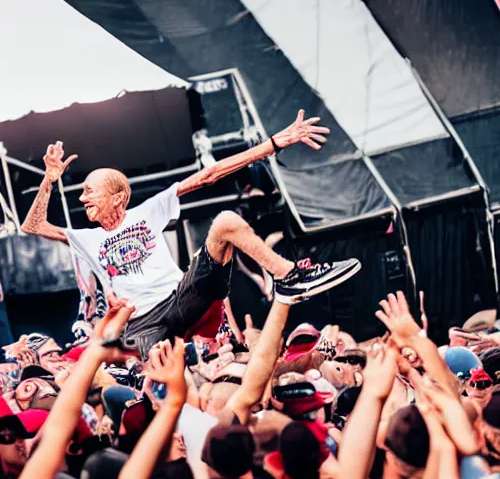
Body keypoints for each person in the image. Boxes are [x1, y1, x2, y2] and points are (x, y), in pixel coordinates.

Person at [20, 110, 361, 357]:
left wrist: (272, 145)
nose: (83, 199)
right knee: (155, 374)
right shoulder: (86, 237)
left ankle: (288, 276)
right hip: (141, 324)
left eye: (90, 191)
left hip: (180, 298)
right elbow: (32, 226)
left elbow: (207, 175)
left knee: (226, 221)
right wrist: (49, 179)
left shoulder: (147, 210)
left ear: (118, 197)